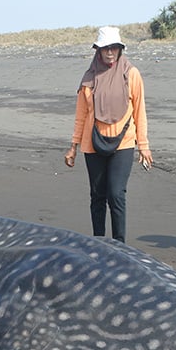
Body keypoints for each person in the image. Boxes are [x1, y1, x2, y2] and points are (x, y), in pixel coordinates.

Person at [63, 26, 152, 243]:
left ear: (120, 49)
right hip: (92, 144)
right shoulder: (89, 78)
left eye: (114, 48)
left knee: (116, 194)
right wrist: (73, 146)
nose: (110, 53)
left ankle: (119, 244)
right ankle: (99, 243)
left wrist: (144, 145)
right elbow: (81, 115)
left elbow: (140, 110)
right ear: (98, 51)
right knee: (97, 196)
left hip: (123, 142)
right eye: (105, 49)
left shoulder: (131, 74)